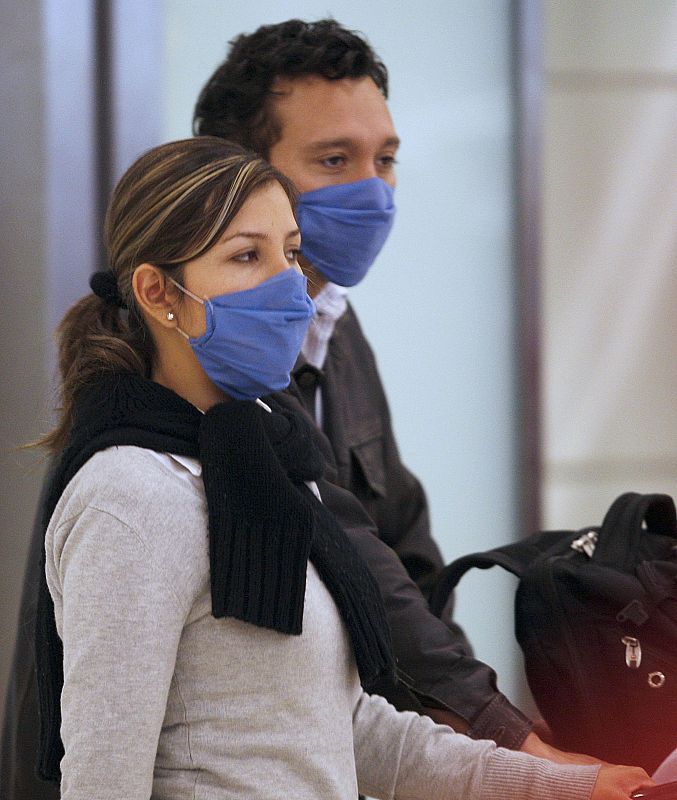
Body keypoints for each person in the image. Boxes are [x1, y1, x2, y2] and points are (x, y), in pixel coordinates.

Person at [28, 137, 650, 799]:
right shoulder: (132, 494)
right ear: (158, 293)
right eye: (246, 255)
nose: (289, 283)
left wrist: (570, 787)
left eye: (289, 251)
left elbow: (347, 732)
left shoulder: (265, 467)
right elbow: (101, 779)